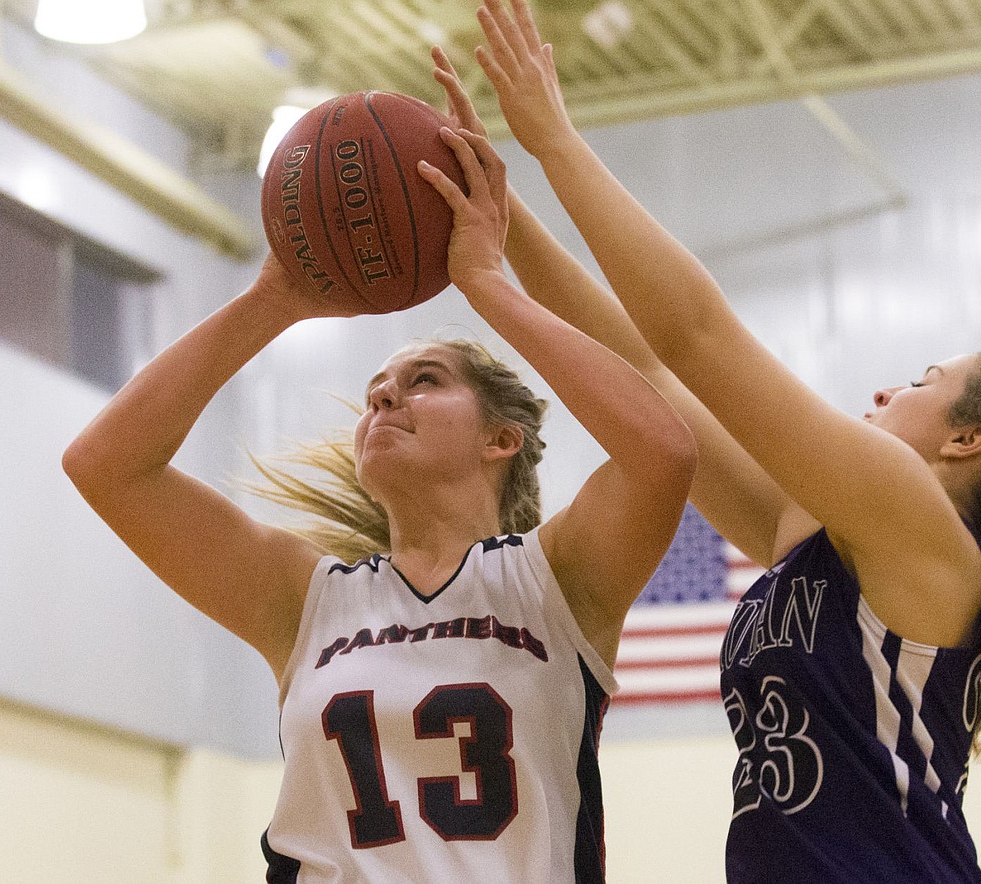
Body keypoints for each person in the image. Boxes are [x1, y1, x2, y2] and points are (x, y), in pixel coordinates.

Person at [447, 1, 981, 880]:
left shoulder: (923, 529)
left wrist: (554, 139)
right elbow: (647, 375)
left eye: (921, 381)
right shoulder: (816, 536)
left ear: (969, 439)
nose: (884, 390)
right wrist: (497, 209)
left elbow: (696, 337)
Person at [62, 114, 696, 882]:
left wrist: (489, 285)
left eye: (423, 381)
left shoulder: (556, 580)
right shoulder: (308, 601)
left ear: (502, 438)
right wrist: (273, 298)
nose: (386, 399)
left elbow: (663, 452)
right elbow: (105, 464)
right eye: (375, 394)